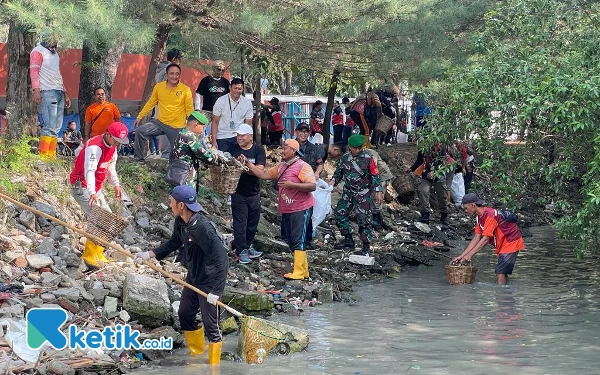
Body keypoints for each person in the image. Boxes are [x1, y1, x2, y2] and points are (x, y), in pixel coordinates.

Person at [134, 185, 228, 364]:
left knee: (211, 326)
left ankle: (214, 368)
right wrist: (149, 254)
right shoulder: (181, 222)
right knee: (185, 313)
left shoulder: (204, 228)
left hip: (209, 281)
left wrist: (216, 291)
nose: (169, 205)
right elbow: (173, 243)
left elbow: (223, 260)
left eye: (171, 202)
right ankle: (197, 354)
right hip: (193, 276)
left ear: (182, 205)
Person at [240, 139, 316, 279]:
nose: (282, 151)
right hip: (287, 208)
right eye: (282, 148)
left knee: (298, 238)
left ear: (293, 150)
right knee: (291, 239)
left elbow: (312, 186)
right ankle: (304, 271)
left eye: (285, 148)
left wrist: (292, 185)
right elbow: (263, 175)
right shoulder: (281, 166)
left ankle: (299, 272)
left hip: (300, 207)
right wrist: (249, 164)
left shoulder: (302, 166)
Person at [69, 122, 130, 268]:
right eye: (116, 140)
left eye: (120, 142)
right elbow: (89, 170)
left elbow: (110, 167)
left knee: (108, 218)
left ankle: (98, 253)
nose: (117, 144)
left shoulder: (113, 147)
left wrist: (116, 184)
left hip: (95, 188)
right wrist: (91, 192)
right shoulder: (94, 147)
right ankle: (89, 255)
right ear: (108, 134)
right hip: (82, 186)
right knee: (100, 220)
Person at [452, 193, 525, 285]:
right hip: (502, 245)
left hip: (511, 242)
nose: (465, 210)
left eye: (466, 208)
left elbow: (486, 239)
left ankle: (501, 295)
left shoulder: (490, 215)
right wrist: (462, 256)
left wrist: (470, 255)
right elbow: (476, 238)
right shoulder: (479, 218)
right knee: (502, 271)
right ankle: (506, 293)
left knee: (500, 272)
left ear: (472, 205)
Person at [330, 135, 383, 256]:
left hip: (363, 194)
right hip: (348, 192)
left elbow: (375, 176)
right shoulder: (344, 159)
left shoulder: (368, 159)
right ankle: (348, 239)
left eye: (360, 148)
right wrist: (333, 182)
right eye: (355, 148)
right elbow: (338, 173)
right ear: (350, 147)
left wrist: (379, 191)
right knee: (339, 214)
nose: (358, 150)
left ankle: (366, 245)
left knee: (364, 219)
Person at [133, 64, 194, 161]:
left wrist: (191, 126)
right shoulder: (159, 87)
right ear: (167, 75)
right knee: (140, 131)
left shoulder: (185, 90)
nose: (174, 76)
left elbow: (189, 109)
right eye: (172, 74)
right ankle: (138, 159)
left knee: (178, 155)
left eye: (177, 74)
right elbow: (151, 103)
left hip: (176, 126)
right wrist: (139, 117)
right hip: (160, 123)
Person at [228, 124, 266, 264]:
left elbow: (260, 172)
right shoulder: (233, 149)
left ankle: (249, 247)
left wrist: (246, 165)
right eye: (238, 135)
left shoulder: (258, 150)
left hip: (254, 192)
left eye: (242, 135)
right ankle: (240, 251)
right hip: (238, 192)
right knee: (240, 223)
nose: (239, 138)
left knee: (252, 223)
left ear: (250, 136)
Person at [30, 37, 71, 158]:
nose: (55, 41)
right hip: (47, 91)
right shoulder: (38, 51)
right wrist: (36, 91)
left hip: (59, 91)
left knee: (56, 127)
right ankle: (44, 157)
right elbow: (34, 72)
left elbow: (58, 74)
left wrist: (66, 93)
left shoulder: (55, 54)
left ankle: (51, 156)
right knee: (49, 126)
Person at [293, 122, 325, 249]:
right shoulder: (291, 145)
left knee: (307, 212)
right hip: (293, 183)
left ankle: (306, 241)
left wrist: (317, 173)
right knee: (292, 212)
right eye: (301, 131)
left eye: (306, 132)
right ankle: (291, 238)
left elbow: (320, 163)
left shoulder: (313, 148)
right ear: (296, 132)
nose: (303, 134)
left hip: (308, 184)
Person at [168, 111, 215, 186]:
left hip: (177, 174)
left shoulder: (182, 132)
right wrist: (215, 158)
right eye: (203, 127)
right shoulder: (190, 137)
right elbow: (206, 156)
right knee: (187, 196)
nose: (203, 131)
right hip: (186, 176)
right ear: (196, 124)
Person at [210, 78, 254, 152]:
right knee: (225, 161)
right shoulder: (220, 101)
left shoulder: (247, 103)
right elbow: (215, 122)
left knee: (240, 160)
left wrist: (248, 140)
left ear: (243, 89)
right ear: (230, 87)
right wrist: (214, 141)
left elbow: (248, 124)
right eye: (235, 88)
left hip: (239, 137)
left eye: (239, 89)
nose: (237, 91)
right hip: (222, 137)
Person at [409, 144, 449, 225]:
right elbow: (419, 160)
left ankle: (444, 215)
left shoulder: (441, 147)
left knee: (442, 195)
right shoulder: (422, 148)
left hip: (439, 175)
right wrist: (411, 168)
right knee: (422, 190)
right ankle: (425, 215)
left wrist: (435, 172)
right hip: (426, 175)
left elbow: (443, 163)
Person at [361, 146, 394, 230]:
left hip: (382, 176)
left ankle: (377, 220)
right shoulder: (360, 154)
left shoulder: (371, 153)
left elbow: (372, 167)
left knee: (376, 197)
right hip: (376, 176)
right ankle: (375, 218)